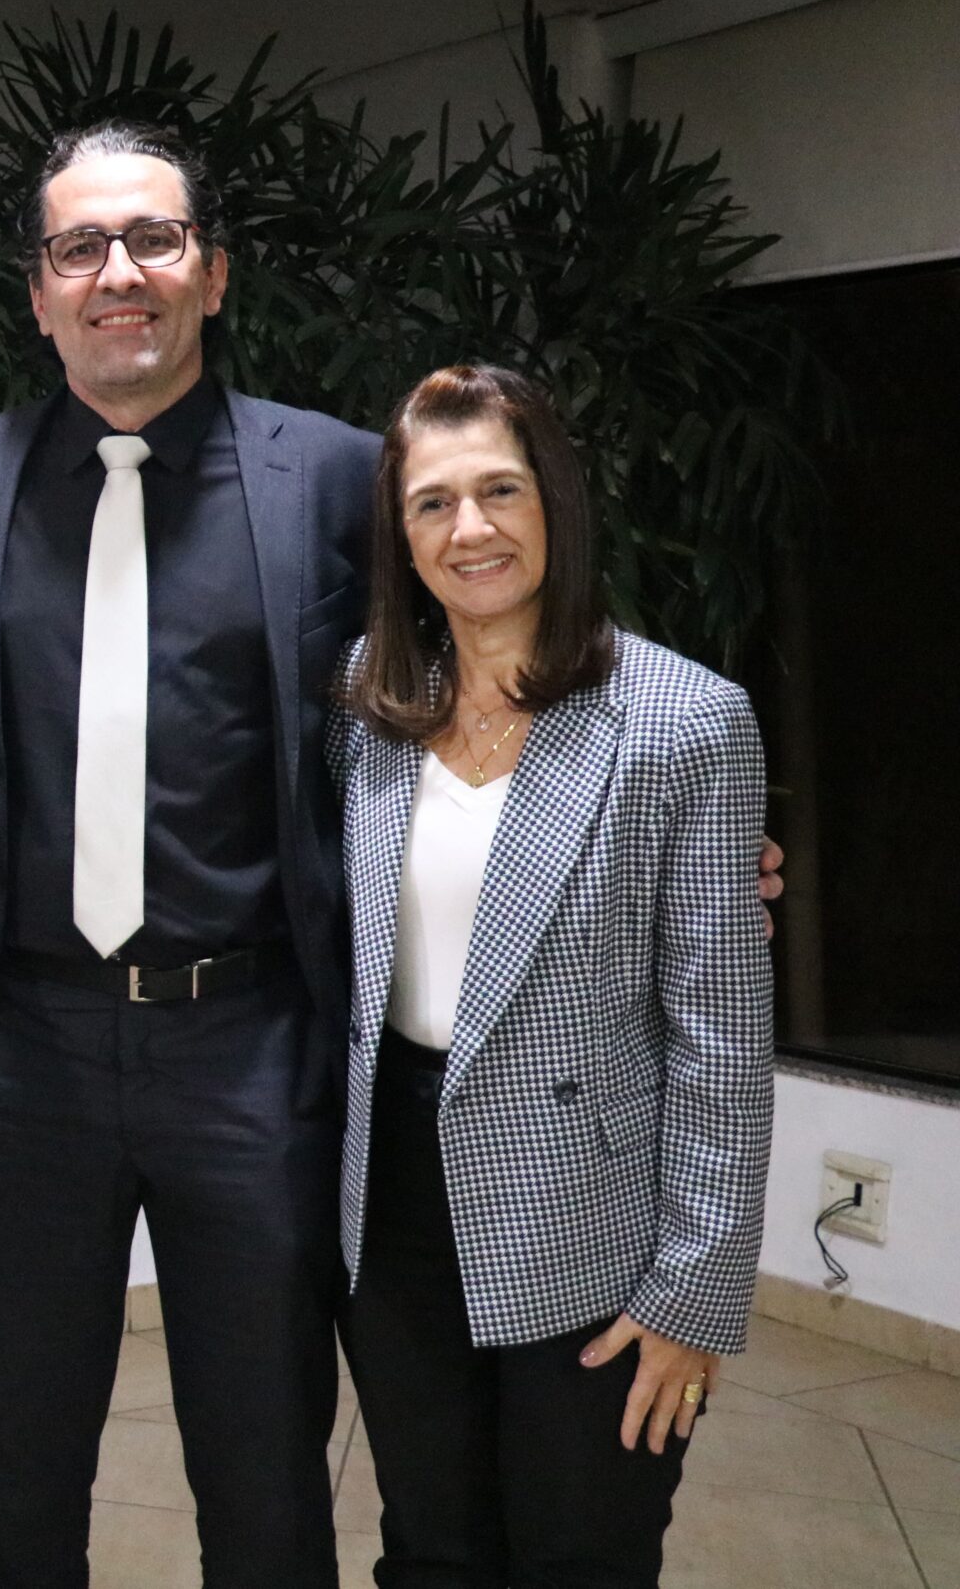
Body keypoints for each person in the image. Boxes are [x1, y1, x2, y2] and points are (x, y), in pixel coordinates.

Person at [0, 119, 374, 1586]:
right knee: (23, 1466)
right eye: (80, 246)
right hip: (25, 1046)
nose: (120, 273)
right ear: (37, 293)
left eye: (153, 240)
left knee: (265, 1463)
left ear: (212, 275)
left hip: (250, 1045)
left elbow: (482, 667)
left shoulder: (339, 478)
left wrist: (664, 813)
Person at [332, 363, 773, 1585]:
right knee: (429, 1550)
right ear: (400, 535)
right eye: (431, 503)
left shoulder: (683, 720)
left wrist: (692, 1294)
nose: (468, 529)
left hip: (590, 1218)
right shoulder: (368, 705)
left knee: (582, 1551)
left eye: (499, 490)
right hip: (395, 1205)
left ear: (555, 504)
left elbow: (721, 1039)